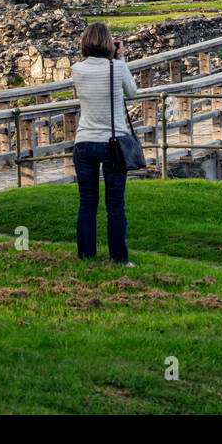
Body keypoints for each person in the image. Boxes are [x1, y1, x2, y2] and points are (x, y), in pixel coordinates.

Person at [71, 22, 138, 265]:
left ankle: (86, 255)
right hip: (114, 143)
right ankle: (119, 258)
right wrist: (120, 59)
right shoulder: (117, 67)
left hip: (85, 141)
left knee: (87, 203)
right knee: (115, 204)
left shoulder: (76, 69)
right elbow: (133, 92)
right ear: (109, 43)